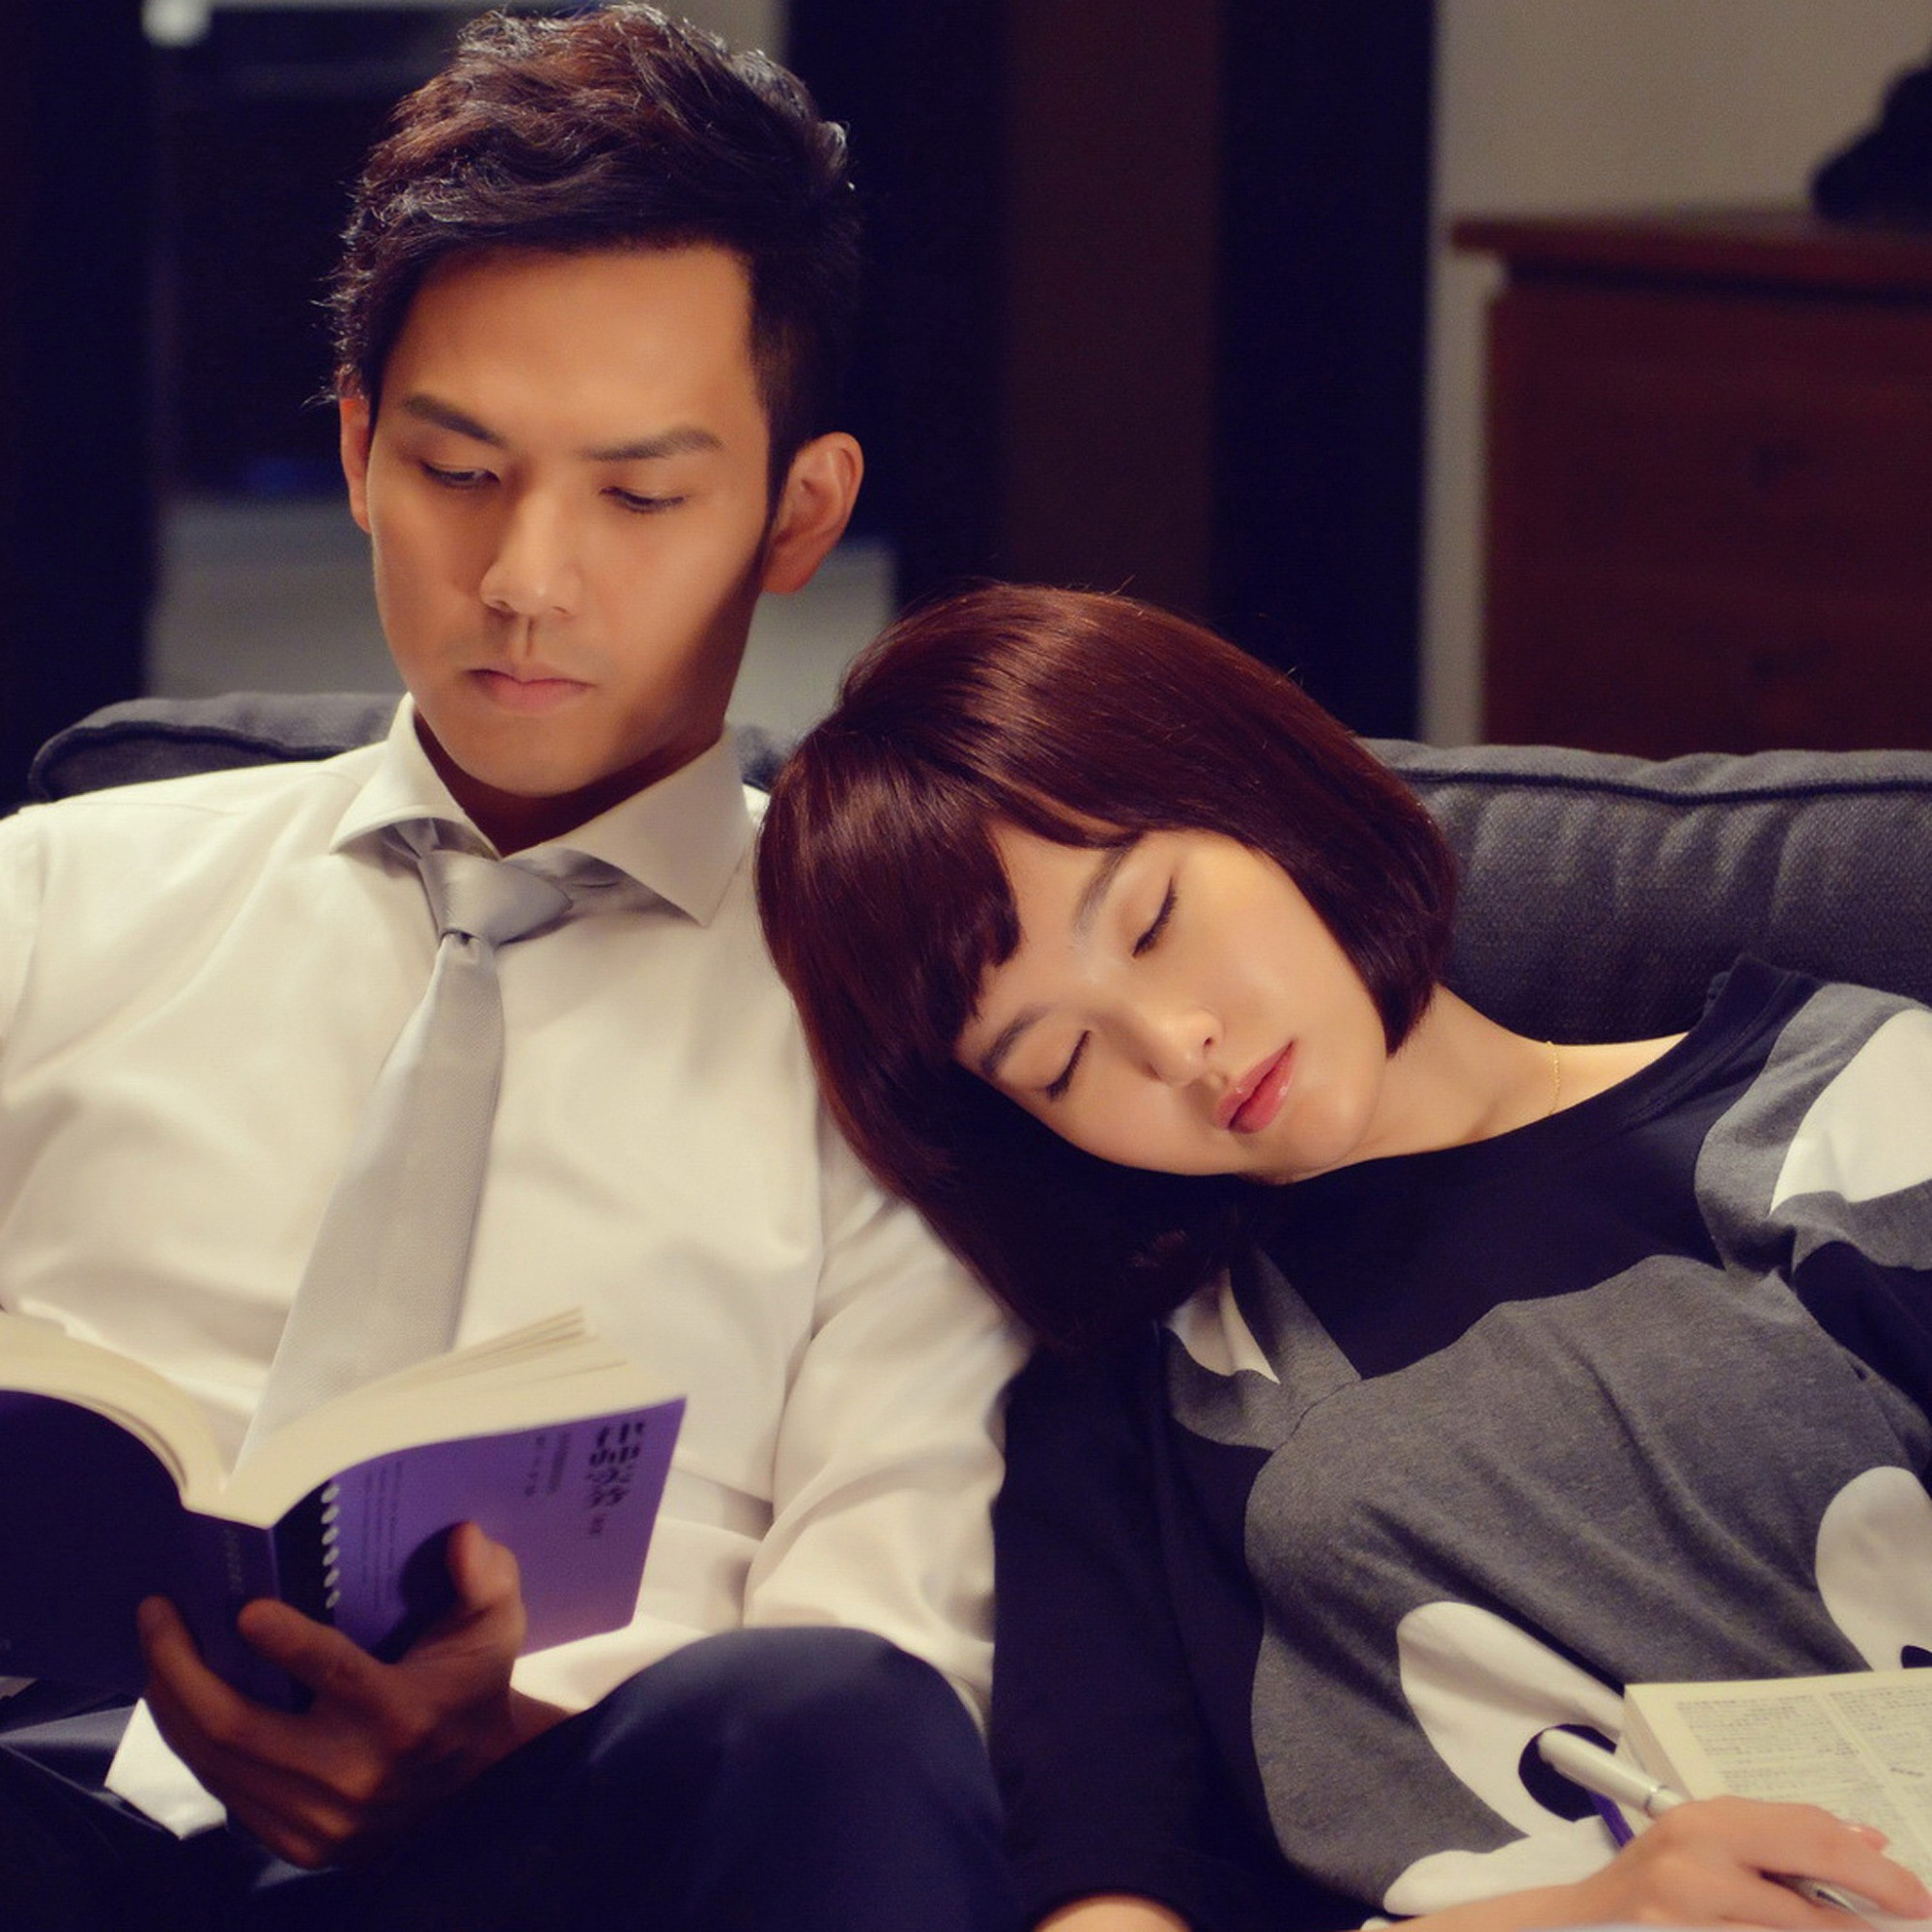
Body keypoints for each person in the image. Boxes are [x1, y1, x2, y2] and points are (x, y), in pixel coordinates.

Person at [0, 11, 1022, 1930]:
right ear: (358, 449)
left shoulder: (903, 1014)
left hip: (551, 1844)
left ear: (796, 514)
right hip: (50, 1811)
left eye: (639, 496)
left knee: (831, 1718)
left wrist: (503, 1749)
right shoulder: (52, 900)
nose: (527, 580)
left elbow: (894, 1666)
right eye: (460, 468)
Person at [754, 582, 1932, 1932]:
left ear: (1258, 794)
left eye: (1153, 921)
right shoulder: (1133, 1400)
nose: (1175, 1047)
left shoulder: (1855, 1114)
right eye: (1065, 1061)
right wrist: (1592, 1911)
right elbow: (1106, 1889)